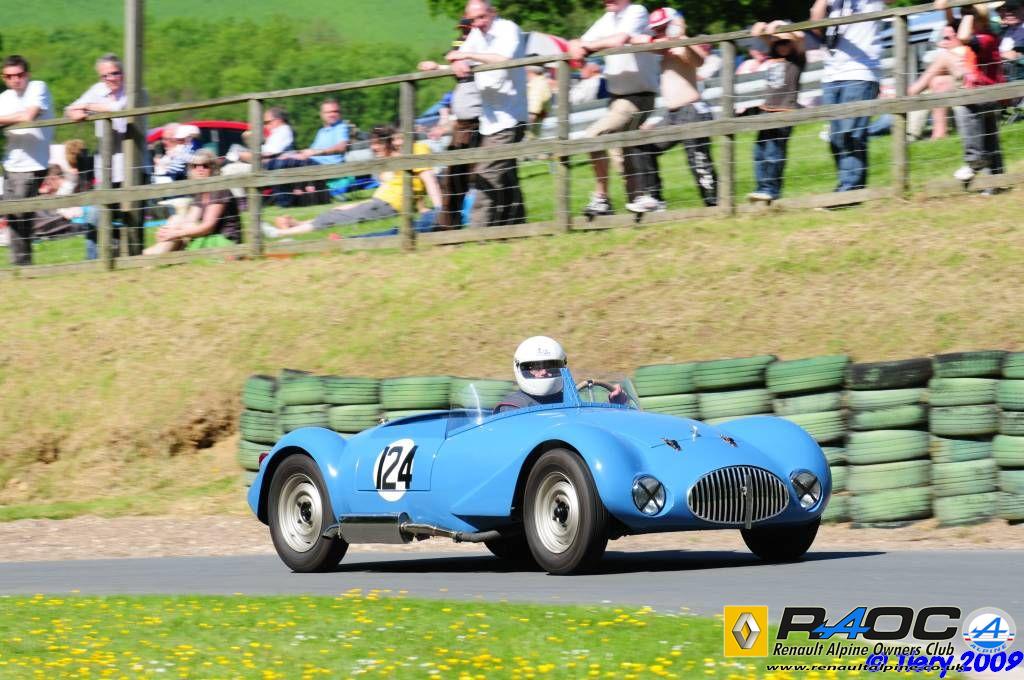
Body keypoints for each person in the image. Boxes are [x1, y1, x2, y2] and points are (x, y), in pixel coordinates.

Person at [569, 0, 660, 217]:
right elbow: (580, 43)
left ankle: (602, 198)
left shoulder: (636, 11)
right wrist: (575, 44)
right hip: (618, 97)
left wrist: (587, 46)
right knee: (621, 149)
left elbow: (619, 39)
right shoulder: (608, 18)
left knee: (594, 135)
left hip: (637, 96)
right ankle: (639, 200)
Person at [267, 126, 441, 237]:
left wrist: (440, 209)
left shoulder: (417, 148)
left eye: (397, 138)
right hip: (380, 202)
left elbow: (429, 180)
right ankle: (297, 224)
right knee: (336, 210)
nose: (396, 143)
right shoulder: (400, 158)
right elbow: (414, 186)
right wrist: (422, 208)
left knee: (333, 218)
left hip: (387, 205)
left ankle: (280, 234)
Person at [627, 7, 718, 212]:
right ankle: (653, 198)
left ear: (674, 24)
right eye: (656, 29)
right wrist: (658, 40)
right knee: (642, 145)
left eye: (662, 28)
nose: (658, 32)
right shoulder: (660, 45)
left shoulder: (682, 44)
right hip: (672, 114)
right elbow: (634, 40)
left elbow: (699, 60)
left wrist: (681, 41)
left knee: (698, 160)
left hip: (691, 111)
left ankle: (715, 204)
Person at [447, 0, 528, 228]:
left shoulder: (508, 29)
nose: (478, 23)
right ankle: (518, 226)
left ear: (493, 12)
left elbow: (503, 59)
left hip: (510, 117)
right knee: (506, 175)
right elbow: (460, 56)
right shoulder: (476, 34)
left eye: (482, 17)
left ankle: (478, 232)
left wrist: (466, 54)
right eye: (473, 19)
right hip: (490, 119)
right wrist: (458, 60)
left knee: (486, 174)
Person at [810, 0, 890, 193]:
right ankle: (847, 184)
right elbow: (815, 24)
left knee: (851, 133)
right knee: (835, 137)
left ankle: (850, 188)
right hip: (831, 74)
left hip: (861, 71)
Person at [419, 17, 483, 230]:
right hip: (463, 123)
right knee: (454, 175)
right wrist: (438, 66)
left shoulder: (482, 49)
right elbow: (458, 65)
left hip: (476, 122)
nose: (464, 35)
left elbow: (469, 66)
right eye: (463, 31)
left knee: (466, 174)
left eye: (467, 30)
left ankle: (461, 224)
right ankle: (449, 225)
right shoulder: (463, 46)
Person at [933, 0, 1005, 186]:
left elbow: (964, 36)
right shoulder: (978, 34)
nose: (965, 21)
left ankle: (974, 160)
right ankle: (996, 181)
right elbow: (944, 10)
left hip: (985, 93)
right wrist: (953, 6)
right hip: (983, 92)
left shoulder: (986, 38)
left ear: (980, 20)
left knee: (965, 109)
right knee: (990, 138)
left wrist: (969, 14)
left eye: (970, 17)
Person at [743, 21, 806, 203]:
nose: (782, 46)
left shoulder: (797, 59)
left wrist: (781, 25)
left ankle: (771, 190)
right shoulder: (772, 57)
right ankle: (761, 188)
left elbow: (801, 36)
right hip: (766, 111)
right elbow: (757, 30)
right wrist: (768, 27)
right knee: (760, 152)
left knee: (774, 152)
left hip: (784, 111)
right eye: (778, 43)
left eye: (786, 42)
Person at [0, 55, 54, 266]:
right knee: (12, 216)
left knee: (21, 215)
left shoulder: (38, 87)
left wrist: (5, 120)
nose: (15, 80)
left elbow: (28, 116)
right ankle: (20, 265)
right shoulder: (5, 97)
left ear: (27, 74)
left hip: (32, 164)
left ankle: (22, 266)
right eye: (9, 76)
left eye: (19, 75)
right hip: (11, 163)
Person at [142, 149, 242, 255]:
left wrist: (175, 233)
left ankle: (151, 255)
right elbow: (189, 221)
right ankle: (154, 254)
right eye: (195, 166)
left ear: (213, 168)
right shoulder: (201, 192)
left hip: (224, 242)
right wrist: (167, 231)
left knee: (178, 229)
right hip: (209, 237)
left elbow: (208, 226)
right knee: (176, 219)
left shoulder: (219, 189)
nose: (200, 169)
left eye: (205, 165)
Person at [495, 336, 627, 412]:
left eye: (551, 366)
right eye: (535, 367)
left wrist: (614, 404)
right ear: (521, 368)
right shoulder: (512, 407)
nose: (544, 372)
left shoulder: (571, 398)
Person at [265, 99, 350, 206]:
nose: (332, 114)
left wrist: (316, 152)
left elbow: (342, 147)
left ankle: (285, 202)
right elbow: (308, 153)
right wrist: (292, 156)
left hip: (326, 166)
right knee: (276, 162)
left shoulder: (341, 127)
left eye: (335, 111)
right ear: (322, 114)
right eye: (328, 112)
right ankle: (284, 200)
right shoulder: (321, 131)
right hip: (313, 163)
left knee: (277, 164)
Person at [66, 53, 128, 186]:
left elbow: (118, 108)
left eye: (115, 73)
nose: (110, 78)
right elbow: (70, 109)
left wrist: (88, 107)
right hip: (105, 164)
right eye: (105, 76)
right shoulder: (97, 89)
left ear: (123, 72)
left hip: (130, 163)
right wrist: (76, 112)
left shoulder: (132, 89)